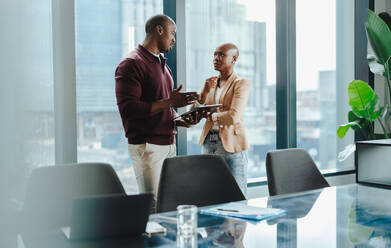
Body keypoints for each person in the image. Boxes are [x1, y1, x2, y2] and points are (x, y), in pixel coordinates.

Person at [115, 14, 198, 212]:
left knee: (169, 204)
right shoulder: (131, 63)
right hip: (148, 146)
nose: (174, 39)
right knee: (153, 207)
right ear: (159, 30)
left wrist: (179, 120)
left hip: (169, 144)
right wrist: (170, 102)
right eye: (172, 33)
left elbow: (162, 107)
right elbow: (129, 109)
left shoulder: (163, 64)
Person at [197, 43, 251, 196]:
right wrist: (205, 91)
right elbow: (195, 113)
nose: (216, 58)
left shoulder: (241, 83)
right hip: (208, 144)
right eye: (215, 54)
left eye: (221, 55)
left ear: (234, 59)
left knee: (237, 195)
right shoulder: (211, 84)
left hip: (231, 146)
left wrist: (211, 117)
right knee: (209, 195)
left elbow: (234, 116)